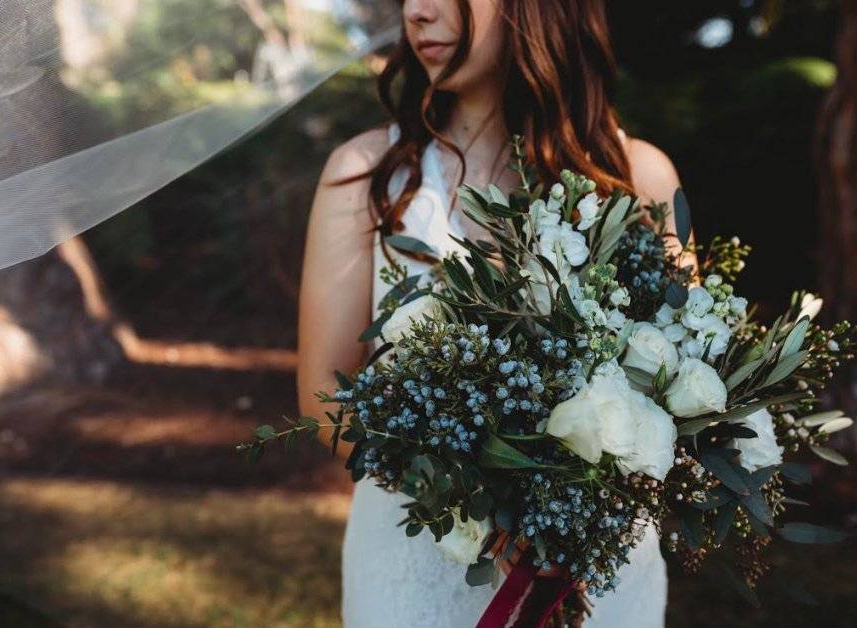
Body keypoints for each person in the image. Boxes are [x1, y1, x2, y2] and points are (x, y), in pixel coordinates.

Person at [297, 1, 694, 625]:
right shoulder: (366, 176)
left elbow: (684, 375)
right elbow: (325, 395)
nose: (416, 13)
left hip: (597, 573)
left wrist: (576, 506)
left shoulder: (638, 179)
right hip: (413, 567)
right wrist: (477, 498)